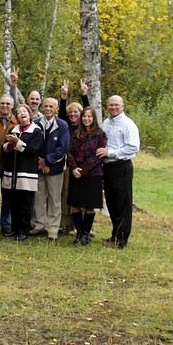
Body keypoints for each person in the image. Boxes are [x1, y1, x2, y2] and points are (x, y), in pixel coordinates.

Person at [96, 95, 140, 249]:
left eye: (116, 105)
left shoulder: (128, 124)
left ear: (122, 106)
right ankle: (115, 235)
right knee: (112, 203)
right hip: (108, 168)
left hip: (122, 166)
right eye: (111, 105)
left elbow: (133, 147)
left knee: (122, 203)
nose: (113, 107)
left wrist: (111, 153)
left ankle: (121, 240)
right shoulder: (107, 123)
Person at [29, 97, 70, 241]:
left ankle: (53, 229)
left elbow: (62, 148)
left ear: (56, 108)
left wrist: (47, 162)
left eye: (51, 106)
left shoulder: (62, 125)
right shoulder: (35, 123)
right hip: (38, 168)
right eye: (45, 106)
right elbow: (32, 145)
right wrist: (40, 163)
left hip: (55, 169)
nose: (48, 109)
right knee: (39, 198)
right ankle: (39, 225)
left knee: (54, 199)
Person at [1, 104, 43, 241]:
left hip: (26, 173)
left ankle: (24, 230)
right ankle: (15, 228)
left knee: (25, 203)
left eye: (24, 111)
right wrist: (9, 145)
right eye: (19, 113)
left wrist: (18, 143)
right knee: (13, 201)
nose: (22, 114)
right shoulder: (14, 129)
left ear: (30, 114)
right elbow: (5, 149)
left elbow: (33, 150)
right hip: (12, 173)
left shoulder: (36, 131)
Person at [67, 106, 107, 246]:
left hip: (92, 175)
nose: (86, 119)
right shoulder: (77, 133)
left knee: (89, 206)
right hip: (75, 173)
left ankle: (86, 234)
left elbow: (98, 156)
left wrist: (82, 170)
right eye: (84, 116)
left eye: (89, 116)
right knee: (75, 205)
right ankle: (79, 233)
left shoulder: (100, 134)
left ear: (94, 118)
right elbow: (69, 152)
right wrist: (73, 168)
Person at [58, 78, 90, 234]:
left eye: (76, 112)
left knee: (83, 196)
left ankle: (85, 227)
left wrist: (84, 96)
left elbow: (90, 112)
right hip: (67, 165)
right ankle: (66, 225)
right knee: (66, 195)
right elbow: (61, 114)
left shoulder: (86, 127)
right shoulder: (65, 126)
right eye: (70, 112)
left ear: (81, 114)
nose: (72, 114)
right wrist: (63, 97)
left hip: (83, 166)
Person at [0, 89, 18, 236]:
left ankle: (6, 223)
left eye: (8, 103)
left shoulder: (17, 121)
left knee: (7, 195)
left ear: (12, 106)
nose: (5, 106)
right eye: (2, 103)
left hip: (10, 164)